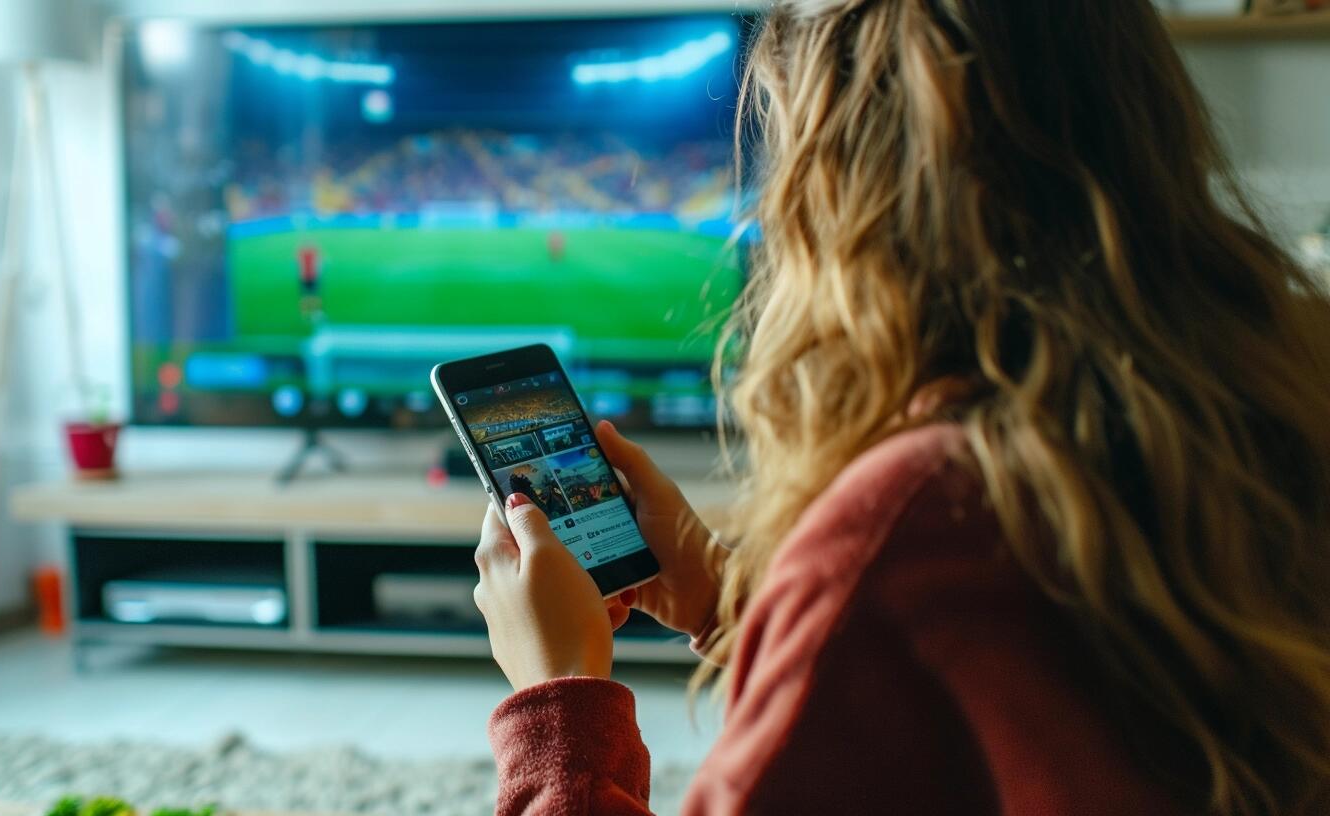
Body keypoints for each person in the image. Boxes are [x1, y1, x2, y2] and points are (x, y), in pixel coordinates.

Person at [468, 1, 1330, 814]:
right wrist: (732, 596)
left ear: (842, 191)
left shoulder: (919, 512)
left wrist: (561, 699)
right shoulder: (1268, 392)